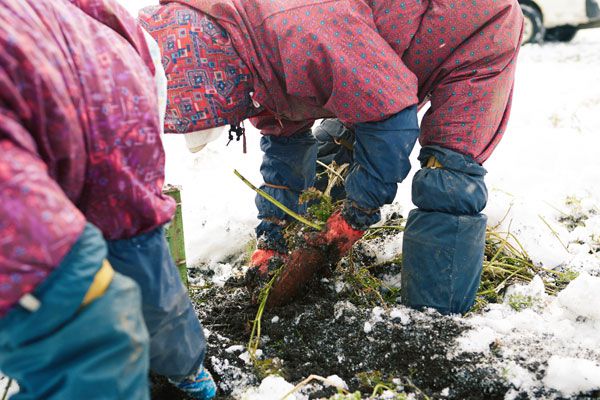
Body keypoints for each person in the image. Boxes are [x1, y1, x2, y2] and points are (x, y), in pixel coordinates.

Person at [139, 0, 523, 315]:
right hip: (376, 63)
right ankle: (320, 260)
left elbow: (392, 121)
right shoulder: (246, 51)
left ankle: (434, 324)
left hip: (471, 28)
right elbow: (285, 145)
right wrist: (273, 235)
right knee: (332, 158)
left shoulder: (299, 30)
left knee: (446, 180)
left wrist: (356, 214)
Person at [0, 0, 215, 399]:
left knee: (91, 339)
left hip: (89, 125)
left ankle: (180, 369)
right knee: (94, 342)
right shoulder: (109, 72)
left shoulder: (88, 61)